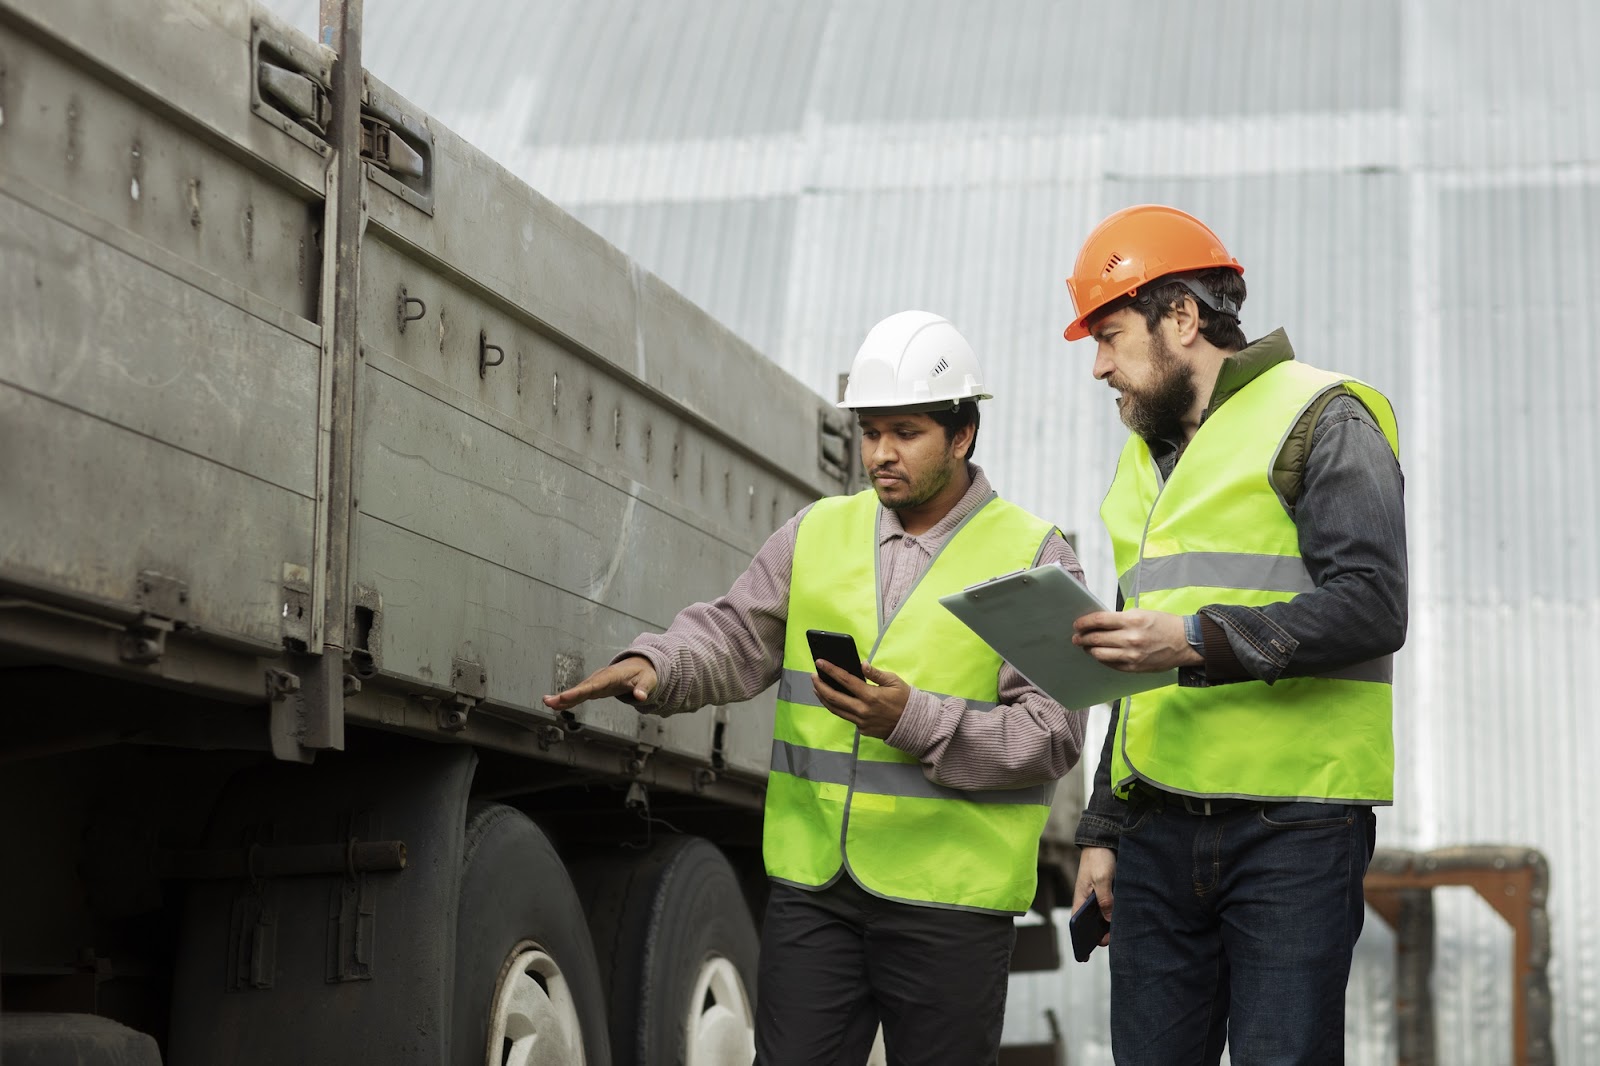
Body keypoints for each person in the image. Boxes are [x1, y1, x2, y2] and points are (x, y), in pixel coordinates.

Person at [545, 309, 1087, 1066]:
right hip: (816, 893)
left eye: (905, 432)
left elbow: (1053, 733)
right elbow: (734, 636)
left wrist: (914, 718)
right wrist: (658, 667)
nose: (880, 454)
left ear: (961, 436)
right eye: (870, 433)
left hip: (950, 906)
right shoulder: (817, 532)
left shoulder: (1033, 554)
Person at [1060, 205, 1407, 1065]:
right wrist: (1102, 830)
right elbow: (1129, 667)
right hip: (1154, 837)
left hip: (1292, 833)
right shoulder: (1142, 467)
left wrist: (1190, 640)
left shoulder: (1324, 417)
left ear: (1181, 318)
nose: (1099, 365)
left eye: (1110, 336)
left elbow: (1371, 605)